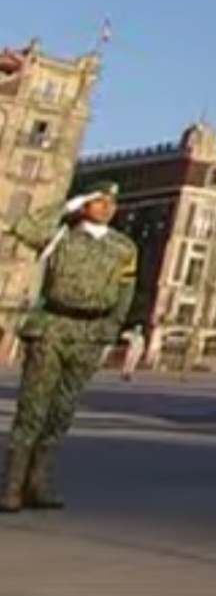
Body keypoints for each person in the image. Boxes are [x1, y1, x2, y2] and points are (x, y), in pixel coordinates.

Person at [0, 184, 138, 513]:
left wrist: (111, 329)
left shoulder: (124, 247)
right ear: (84, 204)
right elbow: (23, 227)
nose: (107, 207)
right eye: (98, 201)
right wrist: (64, 207)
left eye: (111, 203)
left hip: (89, 333)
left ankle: (40, 482)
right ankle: (11, 487)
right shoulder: (59, 236)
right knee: (33, 409)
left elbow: (125, 292)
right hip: (52, 328)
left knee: (62, 412)